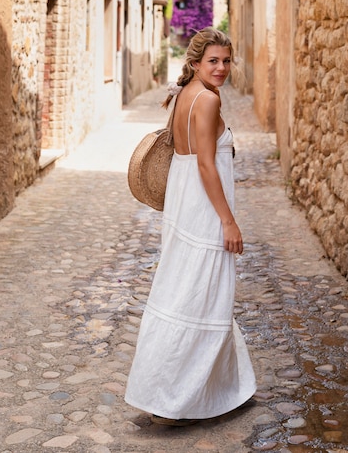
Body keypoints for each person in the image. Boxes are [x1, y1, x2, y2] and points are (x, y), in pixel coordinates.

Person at [124, 27, 256, 426]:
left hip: (185, 206)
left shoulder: (183, 94)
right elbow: (204, 163)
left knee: (182, 292)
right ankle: (174, 401)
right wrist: (228, 221)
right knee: (200, 296)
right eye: (213, 61)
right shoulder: (208, 100)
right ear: (195, 63)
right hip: (202, 209)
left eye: (226, 61)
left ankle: (189, 391)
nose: (221, 68)